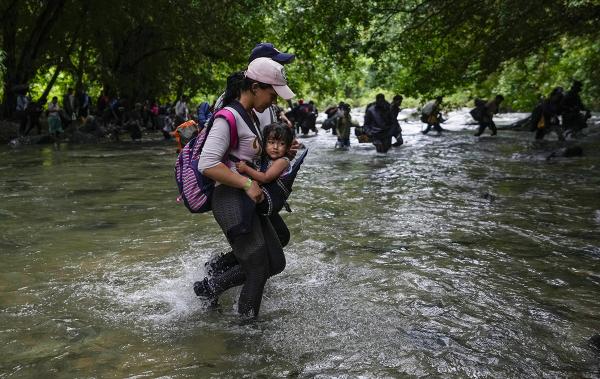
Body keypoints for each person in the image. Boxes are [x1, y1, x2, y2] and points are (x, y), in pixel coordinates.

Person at [194, 57, 295, 318]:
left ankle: (211, 286)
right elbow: (207, 163)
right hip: (229, 198)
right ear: (254, 87)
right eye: (272, 94)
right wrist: (247, 183)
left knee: (276, 261)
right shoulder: (228, 116)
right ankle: (247, 333)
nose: (274, 101)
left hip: (247, 199)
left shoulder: (249, 116)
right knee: (257, 268)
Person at [235, 122, 295, 215]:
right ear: (264, 143)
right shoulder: (268, 158)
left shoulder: (282, 161)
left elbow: (265, 178)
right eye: (271, 142)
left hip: (269, 202)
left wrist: (246, 168)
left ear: (288, 147)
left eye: (281, 144)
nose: (275, 147)